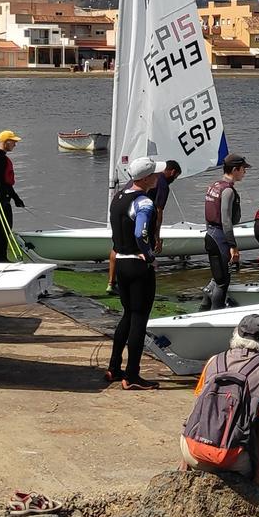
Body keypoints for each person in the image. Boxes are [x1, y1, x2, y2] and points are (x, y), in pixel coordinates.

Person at [180, 313, 259, 507]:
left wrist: (185, 456)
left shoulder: (215, 360)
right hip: (228, 459)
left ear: (236, 334)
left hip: (191, 451)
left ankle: (190, 456)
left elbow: (198, 409)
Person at [105, 158, 161, 390]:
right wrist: (149, 256)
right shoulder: (144, 202)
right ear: (146, 179)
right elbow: (141, 232)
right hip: (137, 267)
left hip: (120, 263)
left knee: (127, 315)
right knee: (139, 319)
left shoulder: (118, 197)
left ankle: (114, 367)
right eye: (154, 175)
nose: (157, 177)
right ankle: (132, 375)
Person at [201, 156, 248, 311]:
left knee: (217, 275)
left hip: (210, 235)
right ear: (235, 170)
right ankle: (217, 313)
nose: (245, 172)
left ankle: (204, 307)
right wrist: (232, 246)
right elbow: (226, 220)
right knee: (223, 282)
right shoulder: (227, 190)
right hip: (220, 238)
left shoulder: (214, 185)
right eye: (243, 169)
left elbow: (208, 213)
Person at [0, 130, 25, 263]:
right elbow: (0, 181)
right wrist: (15, 197)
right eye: (13, 142)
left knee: (2, 226)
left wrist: (13, 197)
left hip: (1, 194)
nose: (15, 144)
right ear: (6, 142)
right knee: (4, 226)